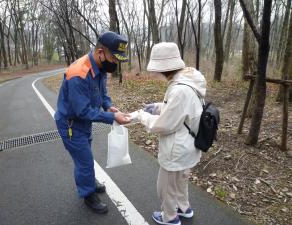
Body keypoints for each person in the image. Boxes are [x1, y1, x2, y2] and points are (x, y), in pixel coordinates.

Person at [55, 31, 131, 214]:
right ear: (100, 52)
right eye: (114, 57)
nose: (115, 63)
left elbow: (102, 94)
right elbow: (82, 111)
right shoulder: (78, 74)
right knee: (85, 162)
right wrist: (112, 118)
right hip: (71, 124)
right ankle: (87, 194)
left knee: (85, 156)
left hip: (84, 122)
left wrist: (109, 107)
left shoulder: (100, 68)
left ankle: (87, 180)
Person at [136, 42, 206, 225]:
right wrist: (158, 107)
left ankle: (170, 217)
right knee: (181, 180)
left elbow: (164, 125)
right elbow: (182, 110)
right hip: (189, 144)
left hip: (177, 148)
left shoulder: (179, 89)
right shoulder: (191, 79)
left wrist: (141, 116)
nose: (158, 74)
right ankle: (184, 208)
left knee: (166, 186)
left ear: (163, 67)